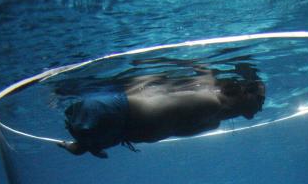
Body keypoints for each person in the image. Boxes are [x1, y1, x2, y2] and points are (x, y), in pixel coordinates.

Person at [57, 66, 266, 158]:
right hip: (118, 115)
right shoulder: (210, 103)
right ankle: (85, 144)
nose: (257, 111)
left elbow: (174, 126)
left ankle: (85, 144)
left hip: (120, 127)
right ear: (242, 94)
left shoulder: (213, 119)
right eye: (259, 100)